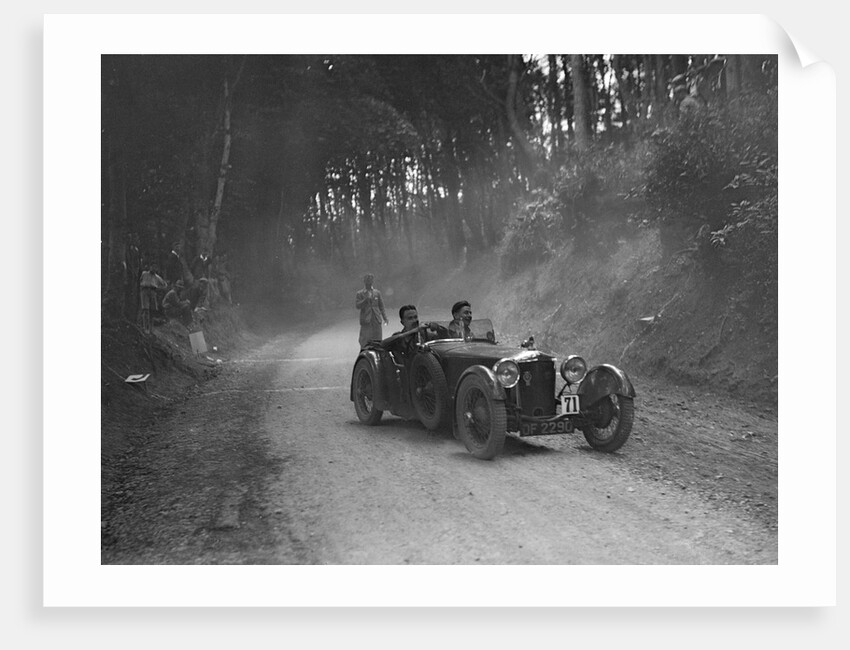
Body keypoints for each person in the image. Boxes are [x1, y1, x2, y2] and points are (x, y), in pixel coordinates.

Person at [355, 273, 388, 349]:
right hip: (366, 319)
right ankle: (364, 353)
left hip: (376, 319)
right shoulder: (360, 293)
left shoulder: (377, 293)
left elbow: (381, 306)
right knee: (365, 339)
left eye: (370, 280)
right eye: (367, 280)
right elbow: (357, 305)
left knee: (378, 338)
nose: (369, 282)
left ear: (373, 281)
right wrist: (365, 300)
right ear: (364, 281)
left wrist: (385, 318)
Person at [139, 262, 167, 334]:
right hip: (144, 291)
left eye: (155, 267)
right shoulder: (144, 273)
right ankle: (145, 328)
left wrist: (158, 289)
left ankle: (151, 328)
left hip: (153, 292)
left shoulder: (157, 277)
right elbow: (139, 280)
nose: (153, 268)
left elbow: (164, 285)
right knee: (145, 310)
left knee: (152, 310)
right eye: (152, 266)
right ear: (150, 267)